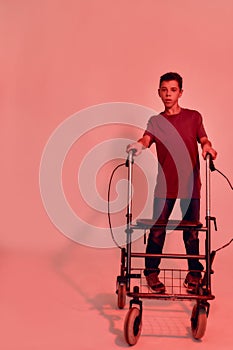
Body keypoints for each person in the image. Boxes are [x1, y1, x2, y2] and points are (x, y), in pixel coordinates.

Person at [127, 72, 217, 293]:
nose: (168, 94)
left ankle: (195, 274)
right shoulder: (156, 121)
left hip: (190, 186)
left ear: (180, 93)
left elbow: (203, 138)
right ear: (159, 92)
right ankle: (151, 272)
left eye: (173, 90)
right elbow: (146, 139)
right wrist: (137, 145)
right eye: (164, 90)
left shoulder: (194, 117)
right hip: (164, 186)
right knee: (158, 230)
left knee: (192, 232)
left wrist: (207, 146)